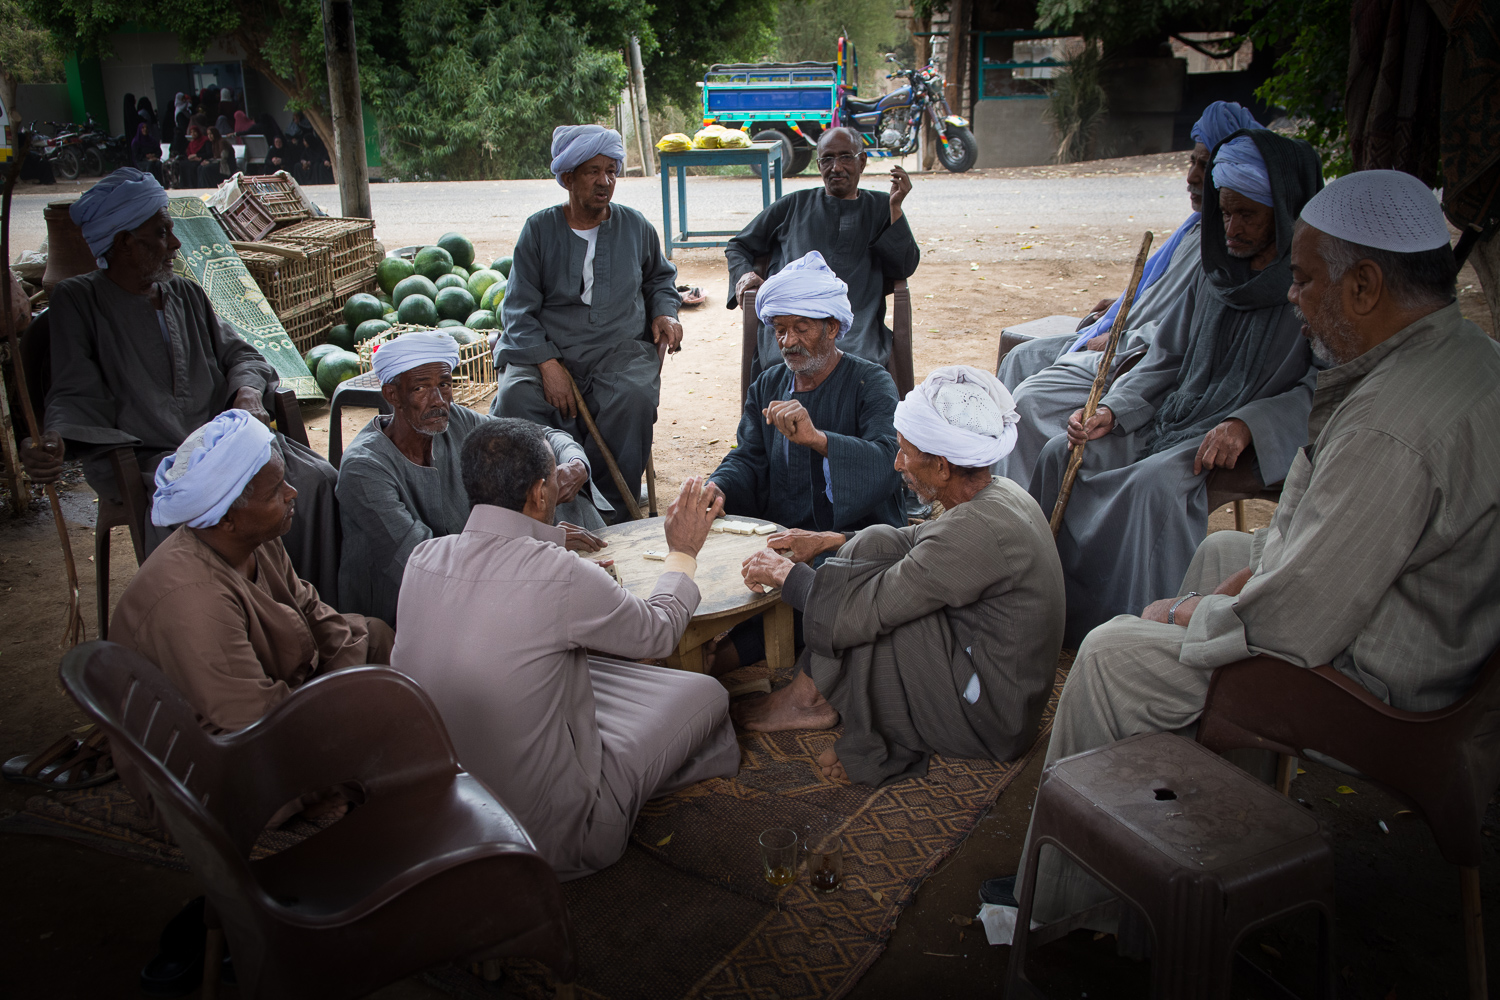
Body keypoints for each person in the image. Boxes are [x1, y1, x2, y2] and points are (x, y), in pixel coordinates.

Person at [1003, 169, 1500, 931]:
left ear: (1364, 286)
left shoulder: (1390, 429)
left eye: (1305, 281)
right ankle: (1217, 852)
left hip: (1380, 690)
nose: (1294, 298)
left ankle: (1076, 909)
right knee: (1220, 553)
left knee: (1112, 653)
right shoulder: (1465, 355)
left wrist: (1187, 615)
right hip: (1433, 634)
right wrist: (1225, 590)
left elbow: (1296, 623)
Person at [391, 423, 741, 880]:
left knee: (574, 665)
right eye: (555, 478)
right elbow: (657, 633)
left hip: (444, 821)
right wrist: (683, 550)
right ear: (540, 493)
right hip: (548, 837)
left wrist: (548, 537)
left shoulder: (425, 557)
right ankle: (619, 794)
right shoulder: (558, 573)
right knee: (709, 693)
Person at [1032, 130, 1324, 644]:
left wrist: (1247, 423)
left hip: (1239, 438)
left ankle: (1124, 631)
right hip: (1173, 413)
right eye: (1224, 212)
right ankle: (1050, 611)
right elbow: (1167, 357)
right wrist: (1114, 411)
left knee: (1152, 488)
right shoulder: (1215, 269)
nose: (1229, 228)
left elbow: (1319, 388)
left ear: (1282, 210)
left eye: (1246, 215)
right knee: (1061, 453)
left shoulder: (1313, 286)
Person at [17, 168, 341, 601]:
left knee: (319, 481)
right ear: (123, 243)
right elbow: (74, 390)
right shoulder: (79, 301)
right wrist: (54, 439)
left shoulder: (185, 293)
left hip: (225, 440)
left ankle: (311, 608)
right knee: (199, 510)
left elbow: (243, 354)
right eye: (162, 233)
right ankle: (234, 622)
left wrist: (246, 391)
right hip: (153, 457)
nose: (175, 244)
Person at [733, 366, 1066, 786]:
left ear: (943, 467)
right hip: (994, 678)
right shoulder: (999, 492)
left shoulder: (976, 531)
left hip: (990, 719)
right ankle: (810, 694)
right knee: (875, 542)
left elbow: (866, 608)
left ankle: (836, 714)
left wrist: (787, 575)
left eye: (905, 452)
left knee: (873, 616)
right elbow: (915, 538)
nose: (896, 463)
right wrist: (828, 541)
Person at [996, 102, 1262, 483]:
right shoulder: (1195, 230)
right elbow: (1163, 294)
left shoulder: (1226, 250)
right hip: (1123, 335)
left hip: (1134, 354)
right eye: (1193, 162)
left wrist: (1120, 335)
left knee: (1030, 402)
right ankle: (987, 489)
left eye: (1204, 167)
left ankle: (1016, 514)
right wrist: (1122, 306)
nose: (1191, 177)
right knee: (1019, 358)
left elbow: (1181, 341)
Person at [110, 410, 393, 736]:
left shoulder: (255, 539)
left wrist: (351, 679)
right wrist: (350, 702)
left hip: (276, 684)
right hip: (213, 742)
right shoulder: (196, 601)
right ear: (228, 517)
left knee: (374, 637)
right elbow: (253, 718)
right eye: (275, 491)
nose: (292, 493)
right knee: (359, 743)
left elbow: (309, 608)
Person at [704, 251, 905, 670]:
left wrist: (819, 440)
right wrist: (718, 486)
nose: (788, 342)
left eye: (801, 328)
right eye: (779, 329)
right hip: (782, 531)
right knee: (719, 558)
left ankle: (733, 656)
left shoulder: (872, 383)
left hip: (849, 539)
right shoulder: (769, 384)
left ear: (833, 327)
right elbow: (750, 456)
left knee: (831, 585)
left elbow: (891, 463)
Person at [337, 331, 606, 625]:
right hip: (412, 603)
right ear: (392, 395)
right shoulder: (364, 468)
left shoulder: (455, 420)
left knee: (556, 491)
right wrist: (534, 541)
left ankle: (607, 582)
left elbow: (539, 437)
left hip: (479, 564)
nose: (438, 400)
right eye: (420, 389)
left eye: (444, 384)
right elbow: (424, 564)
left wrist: (576, 464)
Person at [489, 124, 682, 518]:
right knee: (515, 398)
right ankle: (540, 504)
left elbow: (660, 278)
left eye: (611, 171)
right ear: (568, 178)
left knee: (633, 397)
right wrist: (547, 364)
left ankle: (609, 512)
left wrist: (665, 311)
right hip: (546, 349)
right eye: (593, 171)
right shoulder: (539, 230)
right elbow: (517, 308)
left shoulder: (635, 226)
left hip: (618, 350)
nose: (604, 181)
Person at [726, 126, 919, 373]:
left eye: (845, 157)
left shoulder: (883, 206)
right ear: (818, 165)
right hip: (792, 323)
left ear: (862, 161)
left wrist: (895, 210)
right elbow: (738, 245)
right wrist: (744, 275)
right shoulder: (794, 204)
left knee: (859, 368)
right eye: (827, 159)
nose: (836, 167)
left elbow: (904, 267)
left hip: (857, 326)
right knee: (781, 365)